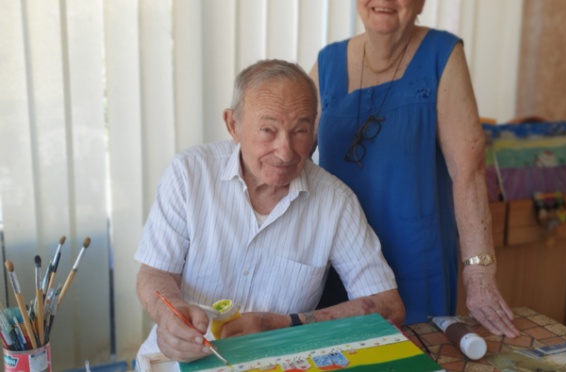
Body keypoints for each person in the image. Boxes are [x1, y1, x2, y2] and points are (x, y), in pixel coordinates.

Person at [134, 59, 405, 364]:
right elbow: (154, 272)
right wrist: (169, 316)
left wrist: (284, 324)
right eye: (268, 130)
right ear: (233, 125)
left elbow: (388, 306)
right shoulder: (190, 174)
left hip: (278, 362)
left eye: (300, 130)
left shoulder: (335, 201)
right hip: (184, 359)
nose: (285, 151)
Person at [310, 0, 519, 337]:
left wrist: (480, 274)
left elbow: (469, 170)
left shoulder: (442, 54)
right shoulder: (327, 63)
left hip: (416, 263)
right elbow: (289, 154)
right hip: (339, 261)